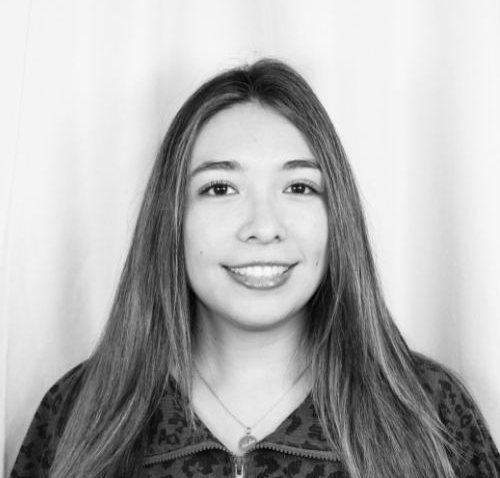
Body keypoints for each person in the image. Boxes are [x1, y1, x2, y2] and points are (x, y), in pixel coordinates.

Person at [10, 59, 500, 478]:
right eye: (220, 188)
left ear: (338, 217)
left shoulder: (433, 410)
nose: (264, 227)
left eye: (299, 187)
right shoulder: (74, 411)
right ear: (171, 218)